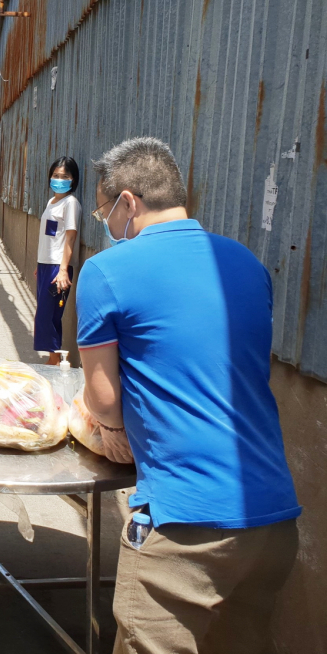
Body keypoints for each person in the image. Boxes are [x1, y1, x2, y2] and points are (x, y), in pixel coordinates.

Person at [76, 137, 301, 654]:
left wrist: (109, 429)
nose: (108, 227)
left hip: (185, 526)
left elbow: (104, 399)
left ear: (128, 202)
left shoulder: (108, 271)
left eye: (105, 212)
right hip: (272, 519)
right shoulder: (245, 262)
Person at [34, 156, 81, 365]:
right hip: (46, 265)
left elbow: (70, 237)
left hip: (58, 266)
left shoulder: (70, 203)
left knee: (49, 314)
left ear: (73, 180)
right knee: (44, 313)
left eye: (64, 176)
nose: (59, 179)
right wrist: (40, 264)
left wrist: (63, 270)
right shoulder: (52, 201)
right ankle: (54, 356)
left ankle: (55, 358)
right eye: (55, 175)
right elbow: (49, 236)